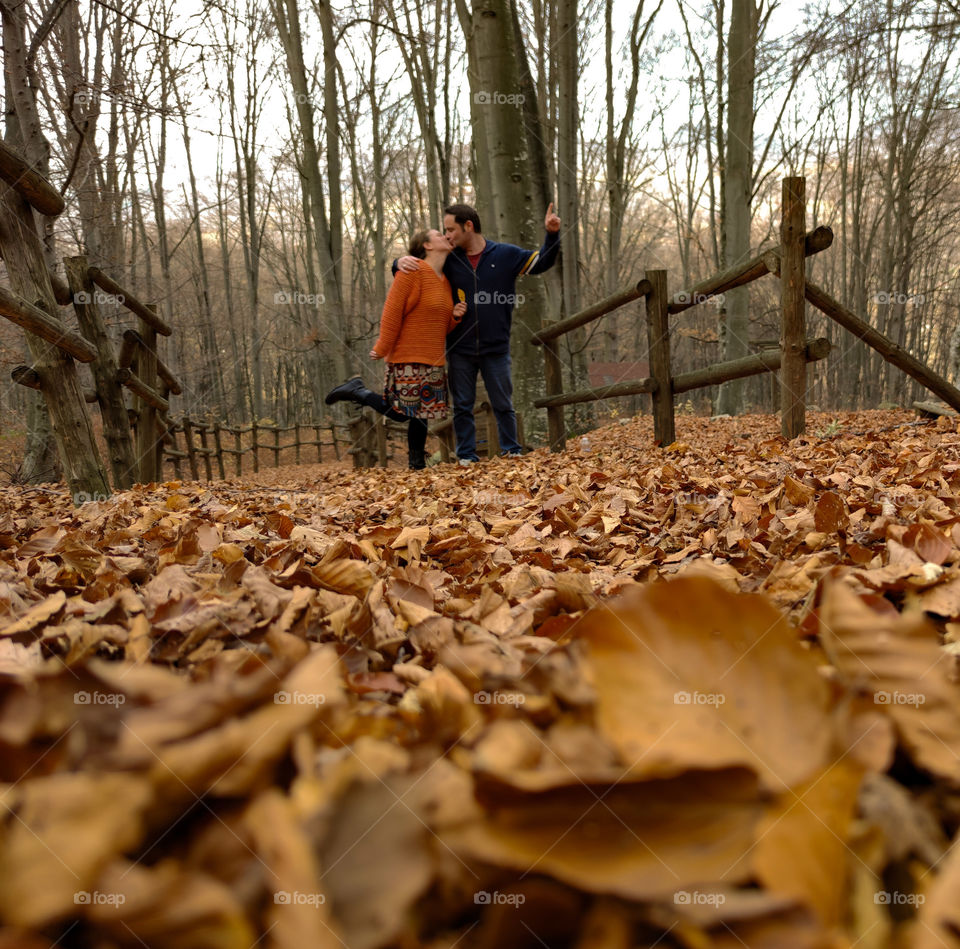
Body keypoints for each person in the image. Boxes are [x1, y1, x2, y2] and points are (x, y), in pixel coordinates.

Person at [395, 202, 561, 465]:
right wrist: (397, 262)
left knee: (503, 404)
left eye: (451, 229)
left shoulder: (504, 254)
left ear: (468, 226)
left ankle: (512, 451)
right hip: (459, 347)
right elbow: (418, 270)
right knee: (462, 406)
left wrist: (552, 234)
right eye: (445, 231)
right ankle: (466, 457)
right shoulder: (450, 259)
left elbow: (541, 262)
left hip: (496, 347)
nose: (447, 235)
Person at [325, 228, 466, 469]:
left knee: (421, 414)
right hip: (408, 355)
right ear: (427, 245)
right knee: (403, 412)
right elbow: (392, 311)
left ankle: (416, 465)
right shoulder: (412, 272)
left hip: (433, 358)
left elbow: (437, 325)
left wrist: (453, 317)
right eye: (439, 234)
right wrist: (382, 346)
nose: (445, 236)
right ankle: (359, 392)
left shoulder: (444, 281)